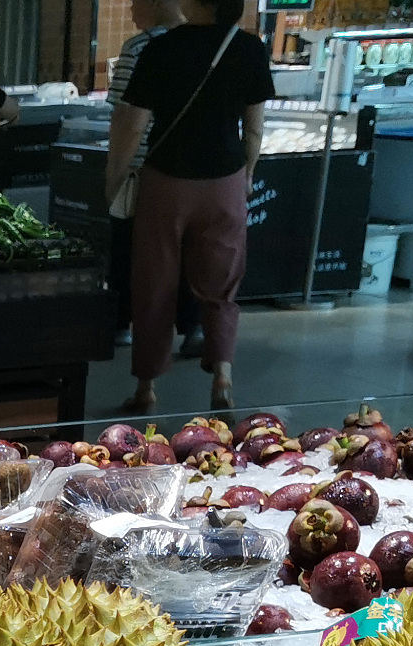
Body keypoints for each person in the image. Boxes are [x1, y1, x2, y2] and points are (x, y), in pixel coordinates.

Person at [104, 0, 272, 412]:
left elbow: (135, 124)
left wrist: (114, 180)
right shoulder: (250, 49)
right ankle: (223, 377)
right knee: (223, 282)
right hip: (225, 180)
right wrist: (246, 174)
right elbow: (253, 126)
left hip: (167, 182)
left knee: (154, 281)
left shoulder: (160, 49)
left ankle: (146, 388)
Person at [105, 0, 201, 350]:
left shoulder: (141, 48)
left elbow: (127, 119)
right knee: (187, 252)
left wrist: (115, 172)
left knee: (129, 247)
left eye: (135, 1)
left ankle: (122, 324)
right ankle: (194, 325)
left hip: (147, 167)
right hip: (200, 171)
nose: (130, 9)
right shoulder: (209, 43)